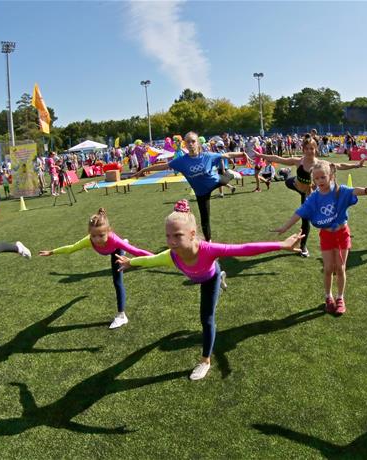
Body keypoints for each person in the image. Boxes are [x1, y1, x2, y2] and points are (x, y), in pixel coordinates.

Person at [116, 200, 303, 380]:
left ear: (192, 233)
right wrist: (130, 262)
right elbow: (150, 260)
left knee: (206, 318)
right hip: (197, 275)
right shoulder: (170, 256)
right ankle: (221, 276)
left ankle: (205, 360)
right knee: (204, 307)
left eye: (177, 235)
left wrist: (281, 245)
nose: (171, 241)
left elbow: (244, 249)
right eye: (168, 236)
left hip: (209, 278)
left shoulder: (209, 249)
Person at [273, 161, 367, 315]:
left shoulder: (339, 190)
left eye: (323, 177)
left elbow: (353, 191)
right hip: (326, 235)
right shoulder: (314, 197)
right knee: (328, 268)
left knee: (340, 268)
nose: (319, 181)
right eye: (316, 179)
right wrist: (285, 227)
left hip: (342, 233)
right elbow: (300, 212)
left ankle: (340, 298)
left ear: (331, 176)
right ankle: (328, 296)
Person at [39, 208, 153, 329]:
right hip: (109, 249)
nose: (97, 239)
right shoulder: (89, 240)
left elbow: (137, 251)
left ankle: (121, 316)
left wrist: (158, 257)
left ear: (108, 231)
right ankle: (123, 248)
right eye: (93, 235)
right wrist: (52, 252)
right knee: (116, 261)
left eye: (101, 235)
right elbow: (71, 248)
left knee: (117, 281)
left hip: (115, 251)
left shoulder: (114, 240)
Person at [256, 134, 365, 257]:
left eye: (311, 148)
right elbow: (278, 158)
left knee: (305, 218)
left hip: (307, 192)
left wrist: (356, 165)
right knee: (288, 181)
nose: (309, 151)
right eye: (306, 148)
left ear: (315, 149)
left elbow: (339, 165)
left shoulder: (320, 164)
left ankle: (303, 247)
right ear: (303, 149)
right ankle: (288, 176)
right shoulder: (299, 161)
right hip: (294, 184)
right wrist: (261, 155)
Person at [134, 131, 252, 242]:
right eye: (188, 142)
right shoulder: (180, 161)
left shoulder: (208, 155)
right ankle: (208, 242)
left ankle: (231, 174)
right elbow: (163, 166)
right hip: (201, 193)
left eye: (193, 141)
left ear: (198, 143)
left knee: (226, 177)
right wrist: (143, 170)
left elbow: (226, 155)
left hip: (215, 181)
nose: (190, 144)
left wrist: (242, 153)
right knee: (205, 218)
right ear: (184, 144)